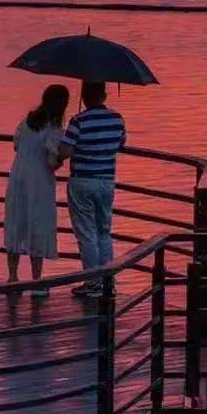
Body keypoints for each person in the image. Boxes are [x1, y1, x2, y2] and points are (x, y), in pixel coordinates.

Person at [59, 81, 127, 297]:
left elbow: (65, 151)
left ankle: (92, 283)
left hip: (82, 180)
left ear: (84, 96)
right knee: (104, 231)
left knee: (87, 233)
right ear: (104, 96)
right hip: (106, 181)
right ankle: (109, 281)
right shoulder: (117, 119)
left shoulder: (78, 120)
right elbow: (121, 143)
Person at [3, 83, 69, 289]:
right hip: (39, 181)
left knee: (17, 221)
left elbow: (16, 145)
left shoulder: (27, 121)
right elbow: (51, 162)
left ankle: (13, 276)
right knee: (37, 224)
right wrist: (61, 159)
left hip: (18, 177)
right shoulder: (54, 128)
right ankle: (37, 279)